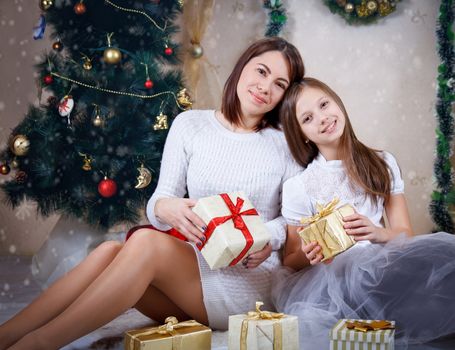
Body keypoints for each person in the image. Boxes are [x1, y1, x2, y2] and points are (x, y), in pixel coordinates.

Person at [0, 37, 305, 350]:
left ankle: (40, 343)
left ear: (286, 95)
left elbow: (295, 222)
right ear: (242, 68)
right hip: (192, 271)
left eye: (279, 84)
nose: (265, 87)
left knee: (144, 242)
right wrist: (164, 209)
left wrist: (266, 236)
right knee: (108, 251)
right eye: (262, 71)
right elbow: (159, 200)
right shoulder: (190, 124)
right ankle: (9, 334)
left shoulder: (285, 144)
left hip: (246, 283)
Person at [273, 77, 455, 349]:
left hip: (382, 268)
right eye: (308, 118)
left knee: (445, 258)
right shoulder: (298, 187)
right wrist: (312, 254)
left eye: (324, 104)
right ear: (302, 134)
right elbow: (291, 258)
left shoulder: (381, 162)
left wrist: (378, 232)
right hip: (332, 282)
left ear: (338, 102)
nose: (322, 118)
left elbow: (405, 234)